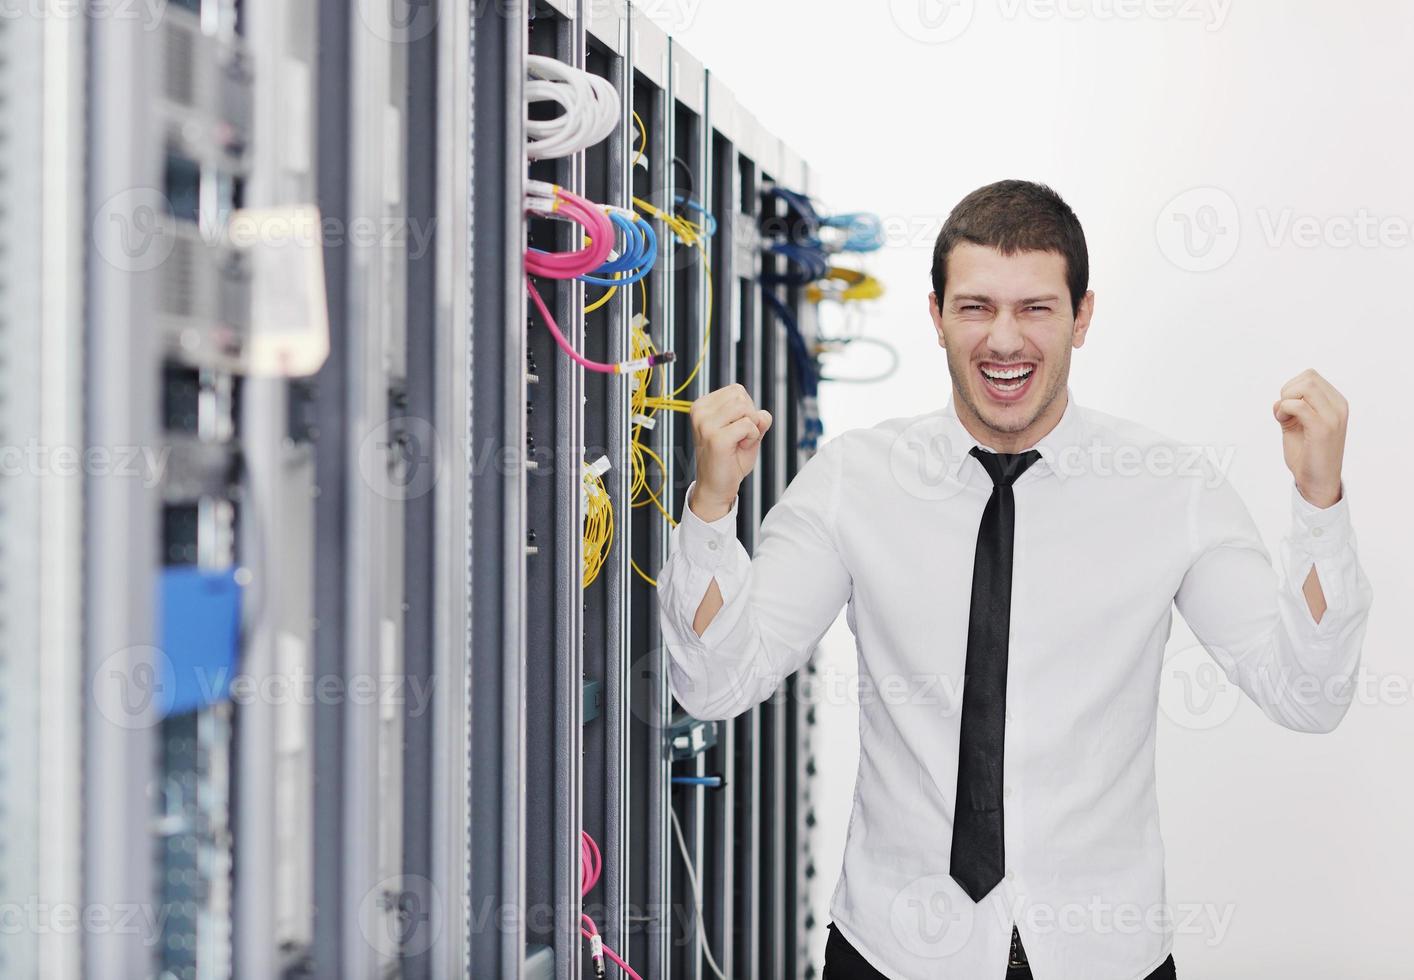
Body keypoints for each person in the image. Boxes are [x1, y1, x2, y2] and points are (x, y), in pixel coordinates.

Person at [656, 180, 1372, 980]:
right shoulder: (856, 480)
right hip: (894, 953)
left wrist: (1318, 505)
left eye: (1035, 308)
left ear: (1082, 316)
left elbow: (1309, 695)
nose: (1004, 340)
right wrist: (712, 508)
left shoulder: (1172, 489)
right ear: (935, 317)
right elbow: (713, 685)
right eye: (974, 307)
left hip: (1106, 956)